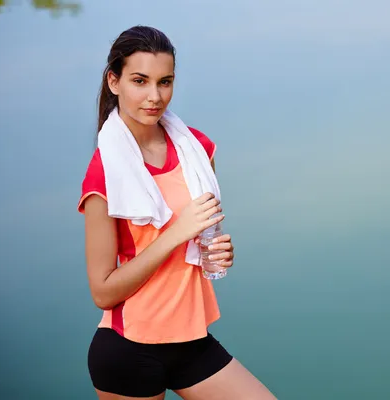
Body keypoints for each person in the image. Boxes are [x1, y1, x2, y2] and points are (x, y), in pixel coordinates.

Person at [78, 25, 276, 400]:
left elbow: (201, 238)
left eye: (165, 82)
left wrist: (215, 254)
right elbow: (103, 292)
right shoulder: (103, 172)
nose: (155, 96)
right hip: (128, 349)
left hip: (191, 339)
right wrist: (175, 234)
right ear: (114, 82)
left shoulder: (197, 149)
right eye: (140, 81)